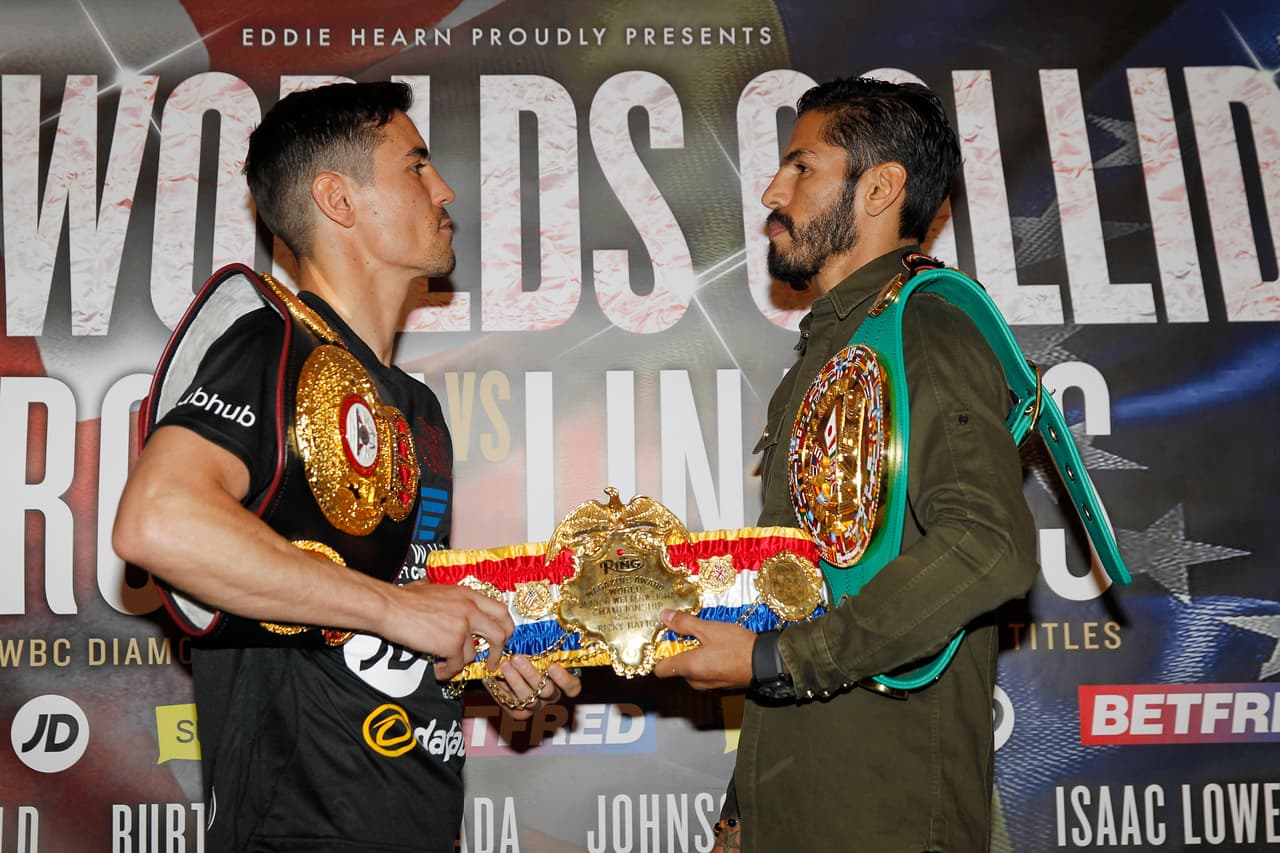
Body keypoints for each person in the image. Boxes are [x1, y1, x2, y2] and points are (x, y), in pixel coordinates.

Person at [113, 81, 580, 852]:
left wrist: (484, 653)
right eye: (416, 166)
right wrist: (398, 610)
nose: (445, 188)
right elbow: (157, 519)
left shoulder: (416, 408)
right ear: (337, 199)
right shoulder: (273, 344)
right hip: (297, 831)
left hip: (415, 821)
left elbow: (378, 621)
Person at [656, 77, 1039, 852]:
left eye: (802, 167)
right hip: (795, 801)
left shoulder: (926, 323)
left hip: (883, 812)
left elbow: (988, 545)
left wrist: (773, 659)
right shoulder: (832, 348)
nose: (772, 189)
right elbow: (809, 591)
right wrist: (742, 812)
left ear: (881, 188)